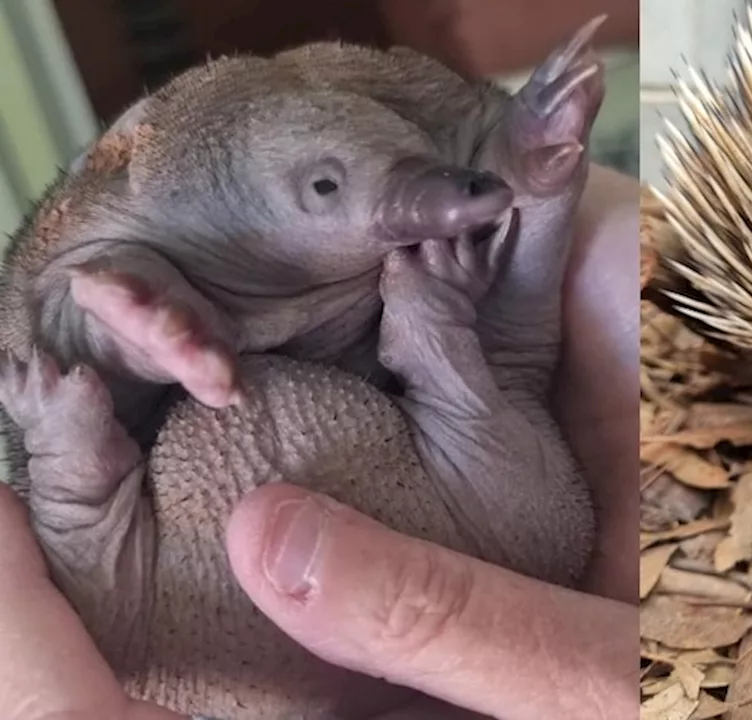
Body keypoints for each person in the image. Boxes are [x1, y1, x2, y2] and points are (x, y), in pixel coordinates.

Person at [0, 165, 640, 720]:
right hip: (474, 552)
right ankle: (437, 330)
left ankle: (67, 440)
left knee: (97, 612)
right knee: (544, 529)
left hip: (186, 627)